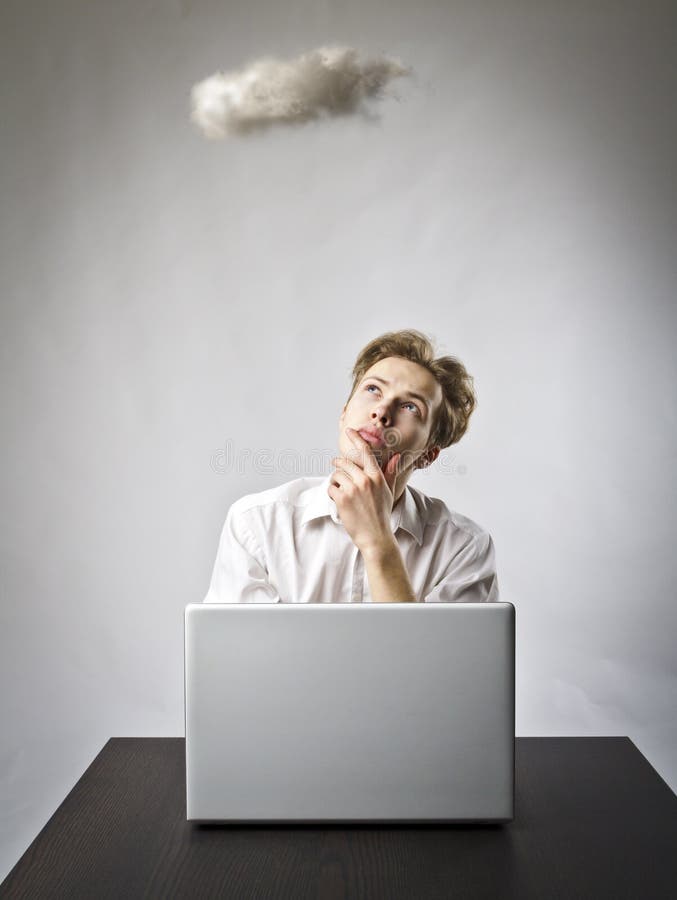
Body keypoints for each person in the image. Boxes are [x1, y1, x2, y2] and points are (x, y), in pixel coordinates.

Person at [204, 329, 499, 604]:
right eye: (373, 389)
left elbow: (433, 662)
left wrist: (378, 542)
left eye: (410, 407)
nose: (382, 411)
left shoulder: (464, 549)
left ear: (427, 454)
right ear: (344, 413)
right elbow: (239, 656)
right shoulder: (256, 524)